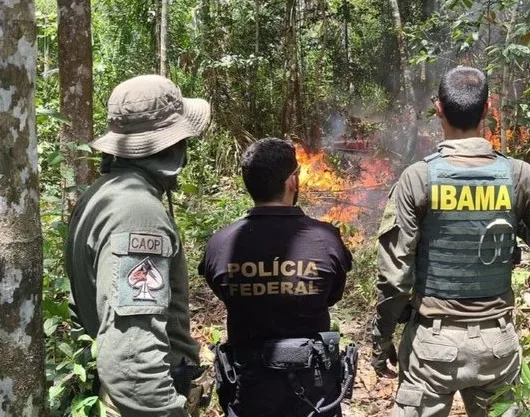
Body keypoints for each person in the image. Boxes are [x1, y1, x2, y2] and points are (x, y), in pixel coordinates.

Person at [371, 66, 530, 417]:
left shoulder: (417, 178)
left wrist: (381, 339)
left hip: (432, 346)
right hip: (497, 344)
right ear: (487, 109)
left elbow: (395, 277)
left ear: (439, 108)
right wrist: (515, 220)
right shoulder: (518, 175)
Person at [65, 74, 212, 416]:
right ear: (172, 145)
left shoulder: (102, 194)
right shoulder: (137, 213)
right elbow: (132, 357)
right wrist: (167, 410)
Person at [199, 138, 354, 417]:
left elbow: (224, 293)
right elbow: (332, 295)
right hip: (313, 392)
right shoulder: (326, 240)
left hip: (248, 390)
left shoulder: (220, 244)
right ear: (293, 180)